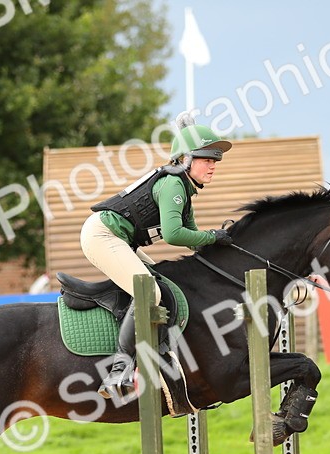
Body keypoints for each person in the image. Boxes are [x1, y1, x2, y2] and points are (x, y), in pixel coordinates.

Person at [81, 114, 234, 399]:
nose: (213, 165)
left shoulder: (184, 189)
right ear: (185, 159)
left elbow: (192, 238)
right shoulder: (174, 184)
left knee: (165, 284)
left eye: (215, 160)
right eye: (206, 159)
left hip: (119, 239)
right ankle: (119, 370)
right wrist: (213, 237)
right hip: (102, 235)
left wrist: (223, 246)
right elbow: (175, 235)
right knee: (149, 292)